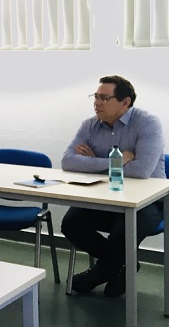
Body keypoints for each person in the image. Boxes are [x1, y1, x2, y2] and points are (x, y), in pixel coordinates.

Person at [60, 75, 165, 298]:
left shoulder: (148, 124)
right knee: (71, 223)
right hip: (105, 195)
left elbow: (141, 171)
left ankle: (101, 271)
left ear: (125, 102)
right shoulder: (89, 125)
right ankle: (124, 265)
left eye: (104, 98)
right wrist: (114, 161)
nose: (96, 103)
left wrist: (90, 163)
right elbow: (68, 161)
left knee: (122, 233)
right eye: (95, 97)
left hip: (148, 200)